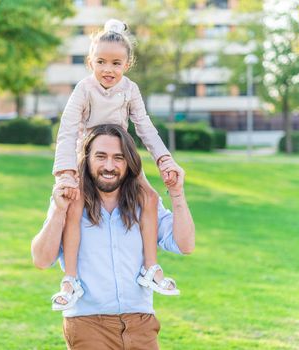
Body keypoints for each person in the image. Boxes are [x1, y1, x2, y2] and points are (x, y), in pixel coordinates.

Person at [51, 18, 183, 311]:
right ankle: (70, 280)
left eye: (115, 63)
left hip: (122, 155)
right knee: (74, 207)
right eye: (101, 62)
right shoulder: (84, 89)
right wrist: (65, 172)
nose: (108, 70)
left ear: (127, 64)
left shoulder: (130, 89)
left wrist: (164, 159)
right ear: (90, 62)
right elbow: (68, 129)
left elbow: (145, 126)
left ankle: (151, 268)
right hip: (89, 158)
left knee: (149, 198)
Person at [32, 124, 195, 349]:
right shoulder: (69, 202)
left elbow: (185, 244)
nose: (109, 166)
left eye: (118, 158)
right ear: (87, 159)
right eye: (101, 156)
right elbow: (41, 259)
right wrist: (59, 211)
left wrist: (177, 193)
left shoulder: (144, 203)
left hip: (141, 324)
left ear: (129, 162)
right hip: (88, 324)